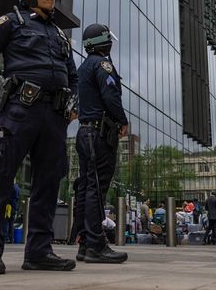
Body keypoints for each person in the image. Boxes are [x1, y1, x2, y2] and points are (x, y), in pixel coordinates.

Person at [0, 0, 78, 274]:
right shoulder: (10, 22)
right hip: (20, 111)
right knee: (0, 177)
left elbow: (73, 75)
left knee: (49, 182)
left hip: (54, 117)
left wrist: (74, 104)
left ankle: (39, 252)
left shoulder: (59, 33)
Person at [71, 23, 129, 264]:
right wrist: (122, 120)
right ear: (102, 41)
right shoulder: (102, 65)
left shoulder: (83, 67)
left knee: (86, 187)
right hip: (98, 134)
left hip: (84, 133)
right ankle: (96, 244)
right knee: (96, 188)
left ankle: (85, 243)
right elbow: (110, 95)